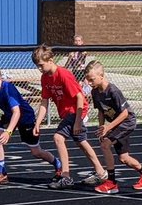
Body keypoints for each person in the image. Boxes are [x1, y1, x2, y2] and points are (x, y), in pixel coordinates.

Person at [32, 44, 107, 190]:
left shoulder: (64, 74)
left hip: (77, 110)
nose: (39, 68)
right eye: (37, 66)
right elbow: (44, 102)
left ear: (51, 60)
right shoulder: (45, 78)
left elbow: (80, 97)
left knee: (58, 138)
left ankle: (65, 176)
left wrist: (78, 121)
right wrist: (38, 122)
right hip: (67, 113)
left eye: (41, 65)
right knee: (81, 141)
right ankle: (101, 172)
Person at [0, 62, 62, 185]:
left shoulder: (8, 88)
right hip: (9, 116)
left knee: (36, 152)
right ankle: (1, 172)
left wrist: (8, 132)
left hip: (25, 118)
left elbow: (17, 112)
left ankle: (57, 163)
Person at [85, 61, 142, 194]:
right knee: (124, 158)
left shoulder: (113, 91)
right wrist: (102, 128)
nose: (89, 83)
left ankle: (111, 182)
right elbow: (101, 111)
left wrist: (108, 127)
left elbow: (125, 113)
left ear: (101, 75)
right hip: (115, 125)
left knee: (105, 145)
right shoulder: (95, 92)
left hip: (126, 122)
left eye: (92, 79)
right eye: (87, 80)